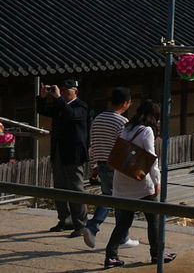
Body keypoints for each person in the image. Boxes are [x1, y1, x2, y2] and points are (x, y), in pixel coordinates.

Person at [103, 100, 175, 269]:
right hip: (140, 183)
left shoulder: (126, 128)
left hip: (121, 180)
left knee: (123, 223)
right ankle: (157, 254)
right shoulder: (147, 131)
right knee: (154, 219)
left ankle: (111, 256)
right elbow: (151, 158)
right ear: (154, 117)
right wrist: (157, 181)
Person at [82, 87, 138, 250]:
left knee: (111, 197)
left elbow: (93, 143)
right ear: (126, 103)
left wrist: (94, 166)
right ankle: (94, 226)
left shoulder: (98, 118)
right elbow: (125, 147)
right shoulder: (122, 122)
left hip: (101, 162)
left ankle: (122, 236)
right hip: (117, 165)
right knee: (119, 199)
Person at [36, 79, 91, 235]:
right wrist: (42, 97)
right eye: (63, 91)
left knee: (75, 189)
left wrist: (59, 99)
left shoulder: (81, 106)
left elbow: (71, 116)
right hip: (59, 151)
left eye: (68, 92)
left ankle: (80, 224)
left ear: (76, 92)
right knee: (59, 187)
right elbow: (43, 111)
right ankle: (65, 220)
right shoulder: (60, 105)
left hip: (74, 153)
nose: (65, 94)